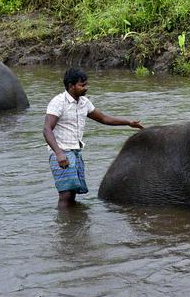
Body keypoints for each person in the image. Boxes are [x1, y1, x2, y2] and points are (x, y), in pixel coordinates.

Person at [43, 68, 143, 209]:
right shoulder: (58, 102)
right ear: (71, 86)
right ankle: (65, 228)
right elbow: (47, 129)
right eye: (82, 85)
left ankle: (72, 225)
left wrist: (128, 123)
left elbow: (104, 118)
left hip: (76, 151)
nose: (86, 88)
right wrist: (59, 153)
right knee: (65, 194)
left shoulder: (84, 102)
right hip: (61, 152)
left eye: (86, 84)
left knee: (72, 192)